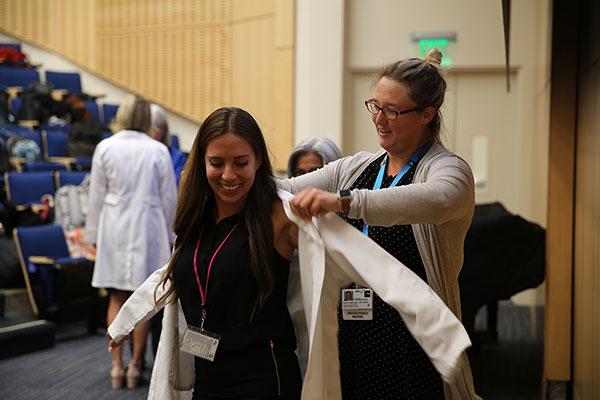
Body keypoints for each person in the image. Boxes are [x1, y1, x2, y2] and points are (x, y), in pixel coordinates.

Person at [279, 48, 480, 399]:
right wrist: (234, 175)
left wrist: (346, 201)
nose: (379, 119)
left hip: (413, 346)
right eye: (375, 105)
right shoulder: (357, 168)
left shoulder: (448, 170)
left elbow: (438, 198)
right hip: (351, 337)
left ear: (426, 114)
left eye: (392, 110)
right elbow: (283, 189)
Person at [109, 107, 302, 399]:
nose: (228, 175)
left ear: (258, 161)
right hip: (208, 373)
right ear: (201, 162)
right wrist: (127, 319)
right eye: (216, 162)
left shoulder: (280, 216)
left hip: (263, 376)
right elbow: (172, 274)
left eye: (240, 163)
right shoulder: (195, 215)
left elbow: (340, 257)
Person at [85, 95, 177, 389]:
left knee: (116, 297)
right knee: (143, 299)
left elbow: (95, 197)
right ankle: (137, 366)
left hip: (113, 228)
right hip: (147, 229)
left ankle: (116, 367)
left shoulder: (105, 147)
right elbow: (168, 200)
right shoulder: (158, 150)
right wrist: (173, 237)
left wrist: (92, 236)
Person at [150, 103, 188, 185]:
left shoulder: (178, 158)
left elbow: (176, 188)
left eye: (149, 131)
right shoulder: (138, 155)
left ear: (160, 134)